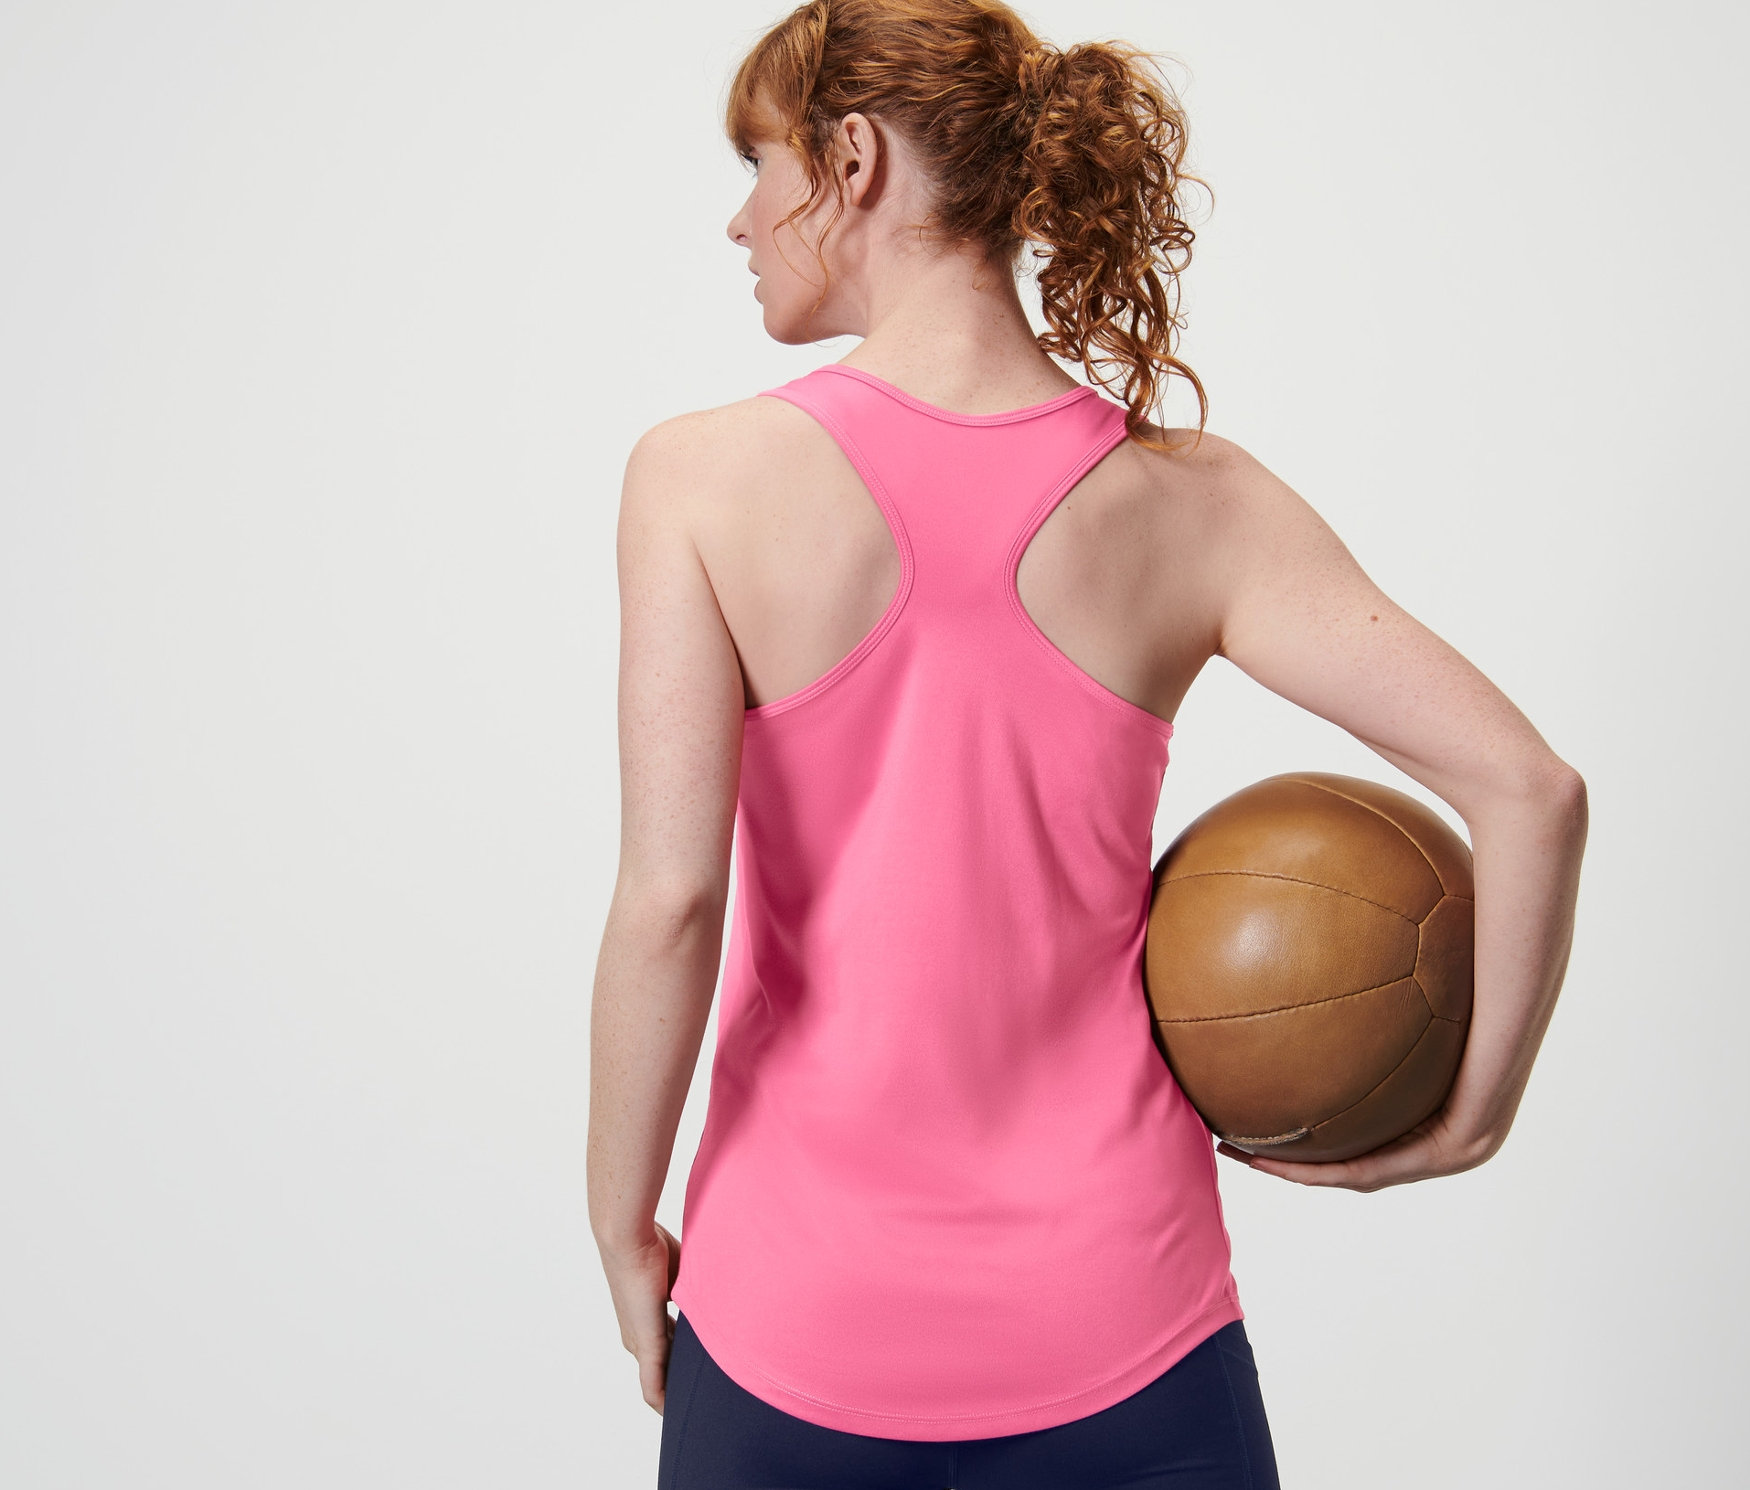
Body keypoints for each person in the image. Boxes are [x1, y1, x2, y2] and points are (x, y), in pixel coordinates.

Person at [588, 2, 1589, 1486]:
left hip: (796, 1319)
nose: (740, 221)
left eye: (759, 164)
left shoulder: (700, 479)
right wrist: (1468, 1116)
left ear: (852, 159)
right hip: (1128, 1334)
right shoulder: (1192, 503)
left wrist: (620, 1219)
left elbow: (672, 901)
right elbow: (1531, 786)